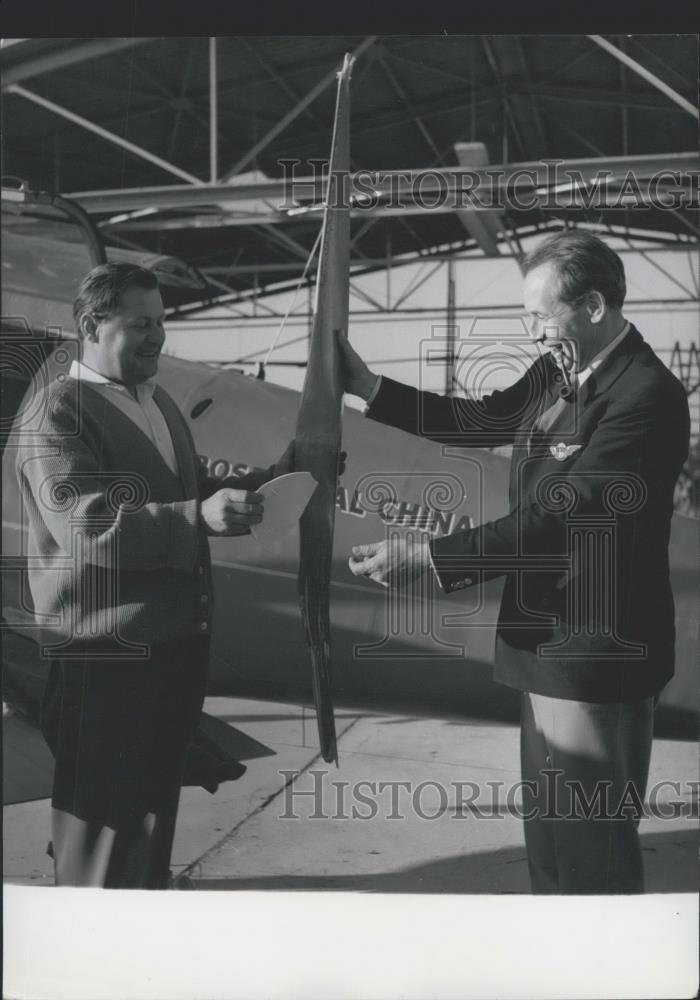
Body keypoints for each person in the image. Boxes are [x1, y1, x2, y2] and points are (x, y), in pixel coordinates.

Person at [338, 231, 690, 894]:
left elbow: (564, 516)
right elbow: (483, 419)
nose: (532, 334)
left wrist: (429, 557)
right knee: (552, 843)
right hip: (546, 644)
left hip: (594, 655)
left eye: (540, 317)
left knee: (590, 853)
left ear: (591, 306)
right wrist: (368, 389)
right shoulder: (564, 368)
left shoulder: (645, 395)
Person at [14, 262, 293, 889]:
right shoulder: (56, 413)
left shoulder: (156, 401)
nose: (159, 336)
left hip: (169, 650)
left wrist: (271, 478)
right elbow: (86, 523)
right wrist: (197, 517)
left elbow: (184, 493)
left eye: (162, 322)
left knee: (147, 825)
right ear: (91, 324)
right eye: (141, 324)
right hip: (104, 658)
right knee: (103, 836)